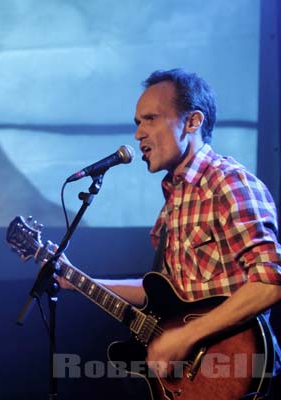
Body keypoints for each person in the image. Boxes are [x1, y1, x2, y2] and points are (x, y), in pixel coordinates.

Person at [56, 68, 281, 394]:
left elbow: (269, 283)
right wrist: (78, 280)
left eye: (150, 119)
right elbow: (165, 290)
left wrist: (187, 336)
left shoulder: (228, 182)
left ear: (193, 123)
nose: (138, 135)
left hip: (233, 369)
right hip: (189, 381)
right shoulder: (174, 201)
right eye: (137, 123)